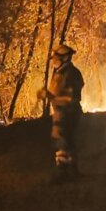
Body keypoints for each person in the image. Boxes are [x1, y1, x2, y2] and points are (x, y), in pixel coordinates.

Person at [38, 44, 84, 183]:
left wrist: (49, 96)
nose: (53, 60)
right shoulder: (64, 72)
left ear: (64, 58)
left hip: (66, 113)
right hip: (63, 112)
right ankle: (72, 171)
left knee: (62, 142)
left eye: (55, 58)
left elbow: (69, 97)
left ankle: (63, 173)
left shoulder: (69, 74)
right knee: (67, 142)